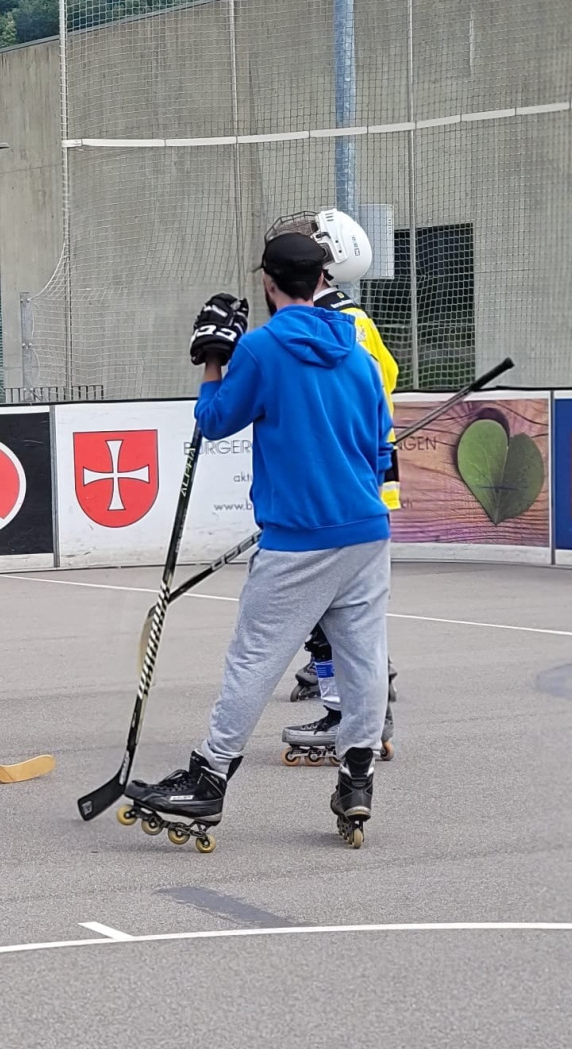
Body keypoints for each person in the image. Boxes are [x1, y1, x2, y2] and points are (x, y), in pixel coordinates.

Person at [120, 229, 394, 850]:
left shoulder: (263, 348)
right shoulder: (359, 354)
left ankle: (209, 776)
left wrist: (213, 360)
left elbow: (215, 420)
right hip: (365, 531)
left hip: (299, 539)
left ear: (268, 283)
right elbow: (381, 448)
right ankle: (357, 778)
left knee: (255, 657)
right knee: (363, 656)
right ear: (322, 281)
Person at [267, 212, 398, 764]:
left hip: (347, 483)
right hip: (348, 480)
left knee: (333, 613)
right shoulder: (337, 315)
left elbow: (374, 385)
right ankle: (359, 706)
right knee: (338, 614)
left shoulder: (339, 319)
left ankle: (352, 713)